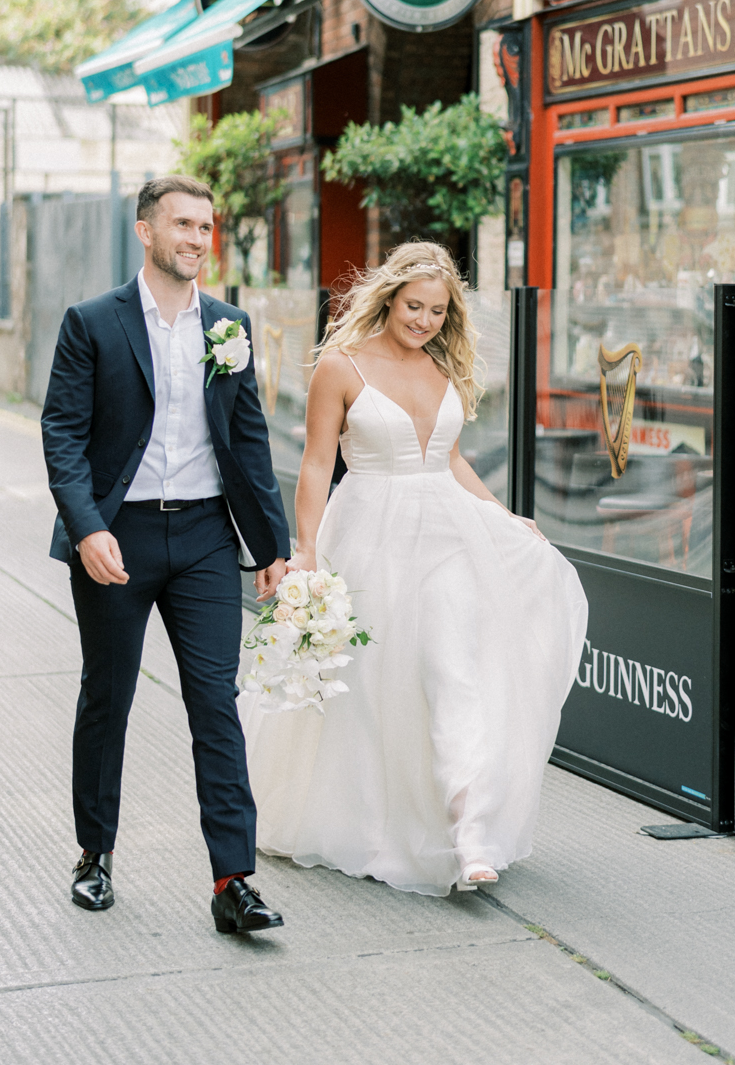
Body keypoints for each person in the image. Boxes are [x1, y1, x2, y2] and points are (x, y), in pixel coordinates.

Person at [239, 241, 588, 896]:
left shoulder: (442, 369)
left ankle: (469, 829)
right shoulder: (340, 368)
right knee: (371, 690)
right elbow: (318, 463)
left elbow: (449, 460)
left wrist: (504, 516)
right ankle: (375, 822)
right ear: (390, 298)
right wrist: (306, 548)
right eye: (413, 306)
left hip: (448, 533)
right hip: (368, 532)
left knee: (452, 667)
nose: (424, 320)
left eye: (436, 310)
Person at [40, 175, 290, 934]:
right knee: (107, 696)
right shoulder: (92, 323)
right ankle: (95, 855)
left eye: (205, 226)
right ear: (145, 231)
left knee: (217, 702)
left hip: (209, 538)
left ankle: (233, 881)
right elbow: (62, 435)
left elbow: (247, 442)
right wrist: (87, 529)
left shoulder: (229, 326)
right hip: (121, 535)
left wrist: (272, 545)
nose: (196, 238)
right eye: (181, 224)